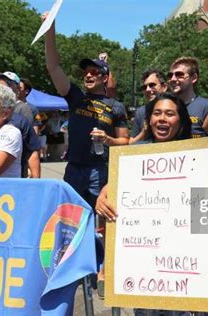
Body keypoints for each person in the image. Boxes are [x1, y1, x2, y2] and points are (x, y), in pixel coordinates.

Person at [94, 93, 208, 311]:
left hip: (188, 278)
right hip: (146, 277)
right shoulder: (132, 157)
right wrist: (102, 198)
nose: (162, 119)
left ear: (181, 120)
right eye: (157, 113)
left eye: (170, 114)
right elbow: (110, 188)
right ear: (149, 120)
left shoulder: (202, 157)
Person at [43, 11, 129, 209]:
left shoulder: (115, 106)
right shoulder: (76, 97)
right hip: (73, 169)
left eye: (94, 72)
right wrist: (50, 29)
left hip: (101, 170)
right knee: (69, 218)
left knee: (101, 220)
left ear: (104, 78)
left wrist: (108, 140)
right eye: (85, 73)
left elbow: (125, 142)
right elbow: (53, 67)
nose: (88, 76)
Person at [168, 57, 208, 136]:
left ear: (194, 78)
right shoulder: (164, 107)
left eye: (179, 75)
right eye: (170, 75)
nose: (173, 79)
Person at [129, 69, 168, 144]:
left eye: (152, 85)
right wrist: (144, 132)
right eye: (144, 87)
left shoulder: (176, 108)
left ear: (164, 87)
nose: (147, 89)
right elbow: (131, 143)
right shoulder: (141, 112)